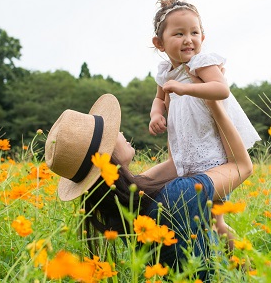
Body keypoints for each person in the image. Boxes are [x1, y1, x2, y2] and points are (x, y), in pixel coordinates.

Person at [45, 93, 253, 281]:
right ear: (106, 157)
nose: (120, 131)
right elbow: (241, 166)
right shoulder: (176, 196)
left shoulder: (121, 208)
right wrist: (214, 106)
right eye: (112, 131)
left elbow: (176, 164)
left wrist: (172, 107)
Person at [148, 0, 261, 248]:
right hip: (187, 153)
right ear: (160, 43)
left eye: (194, 32)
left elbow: (221, 89)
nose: (189, 39)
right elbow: (159, 99)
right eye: (178, 34)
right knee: (202, 220)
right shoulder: (165, 73)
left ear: (203, 37)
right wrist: (156, 115)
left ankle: (241, 261)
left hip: (213, 155)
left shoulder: (201, 63)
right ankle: (209, 258)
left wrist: (186, 89)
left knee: (215, 221)